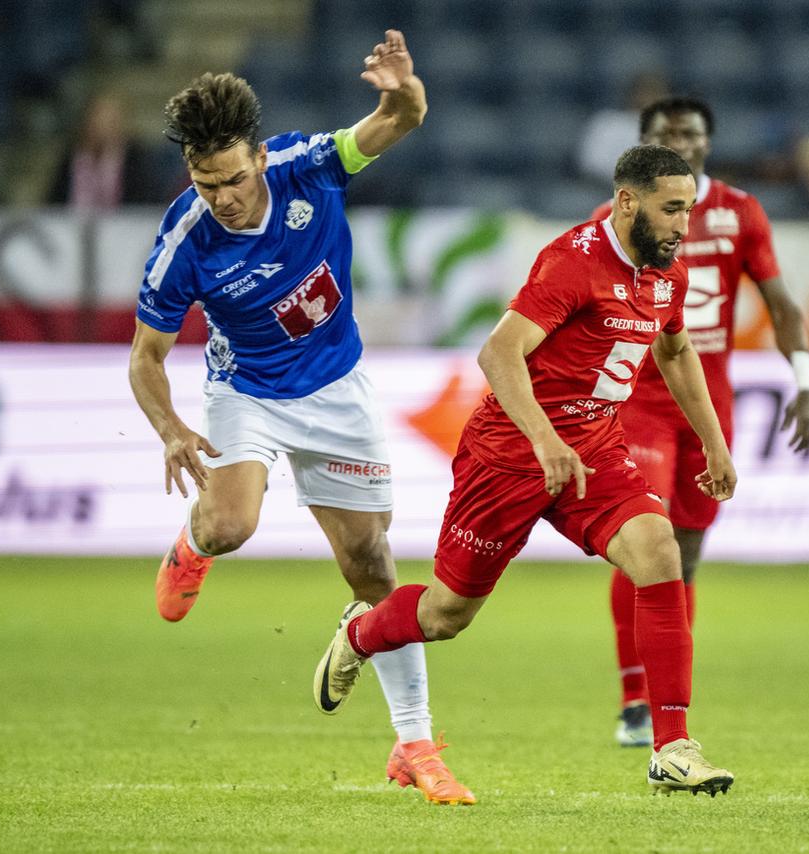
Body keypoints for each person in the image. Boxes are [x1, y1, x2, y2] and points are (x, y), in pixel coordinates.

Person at [127, 31, 475, 805]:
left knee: (373, 565)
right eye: (204, 179)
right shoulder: (183, 239)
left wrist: (401, 90)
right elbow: (145, 359)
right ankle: (193, 541)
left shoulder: (308, 165)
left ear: (257, 153)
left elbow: (402, 120)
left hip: (337, 387)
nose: (222, 195)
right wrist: (175, 431)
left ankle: (413, 744)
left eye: (231, 176)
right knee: (232, 524)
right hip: (246, 390)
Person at [334, 144, 738, 797]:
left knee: (658, 549)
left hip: (594, 450)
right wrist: (546, 441)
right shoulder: (572, 262)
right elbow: (498, 355)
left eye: (689, 210)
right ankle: (359, 633)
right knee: (447, 614)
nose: (682, 225)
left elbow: (677, 349)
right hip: (510, 451)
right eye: (671, 209)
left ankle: (672, 746)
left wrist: (714, 444)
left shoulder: (669, 275)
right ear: (628, 201)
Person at [591, 96, 809, 748]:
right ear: (643, 147)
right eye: (667, 136)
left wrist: (806, 378)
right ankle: (635, 699)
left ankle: (667, 697)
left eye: (691, 135)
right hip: (637, 399)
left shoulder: (741, 212)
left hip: (707, 398)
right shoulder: (620, 218)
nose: (682, 144)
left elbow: (781, 303)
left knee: (686, 554)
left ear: (707, 144)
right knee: (645, 533)